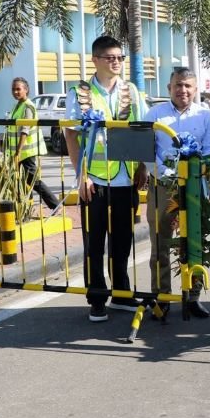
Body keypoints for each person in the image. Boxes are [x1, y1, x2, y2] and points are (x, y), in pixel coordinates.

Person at [64, 36, 148, 322]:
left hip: (126, 177)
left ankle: (122, 293)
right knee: (94, 242)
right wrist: (81, 176)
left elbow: (141, 128)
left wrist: (143, 167)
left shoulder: (130, 90)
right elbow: (71, 135)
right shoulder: (80, 92)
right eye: (110, 57)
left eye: (120, 58)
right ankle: (97, 298)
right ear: (95, 60)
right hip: (95, 180)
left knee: (122, 240)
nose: (116, 62)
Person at [146, 67, 210, 319]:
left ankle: (193, 296)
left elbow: (209, 150)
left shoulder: (204, 115)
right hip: (162, 185)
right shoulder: (155, 114)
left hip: (195, 186)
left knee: (195, 243)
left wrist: (195, 176)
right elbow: (147, 151)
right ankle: (162, 297)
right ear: (169, 88)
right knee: (160, 243)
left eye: (188, 86)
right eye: (178, 85)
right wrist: (168, 175)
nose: (183, 90)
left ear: (195, 89)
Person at [7, 77, 59, 210]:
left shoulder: (28, 106)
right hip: (19, 152)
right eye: (13, 89)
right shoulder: (17, 106)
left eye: (18, 89)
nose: (15, 92)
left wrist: (18, 152)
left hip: (26, 152)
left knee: (33, 181)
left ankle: (55, 205)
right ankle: (26, 208)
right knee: (22, 181)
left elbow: (25, 130)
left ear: (26, 90)